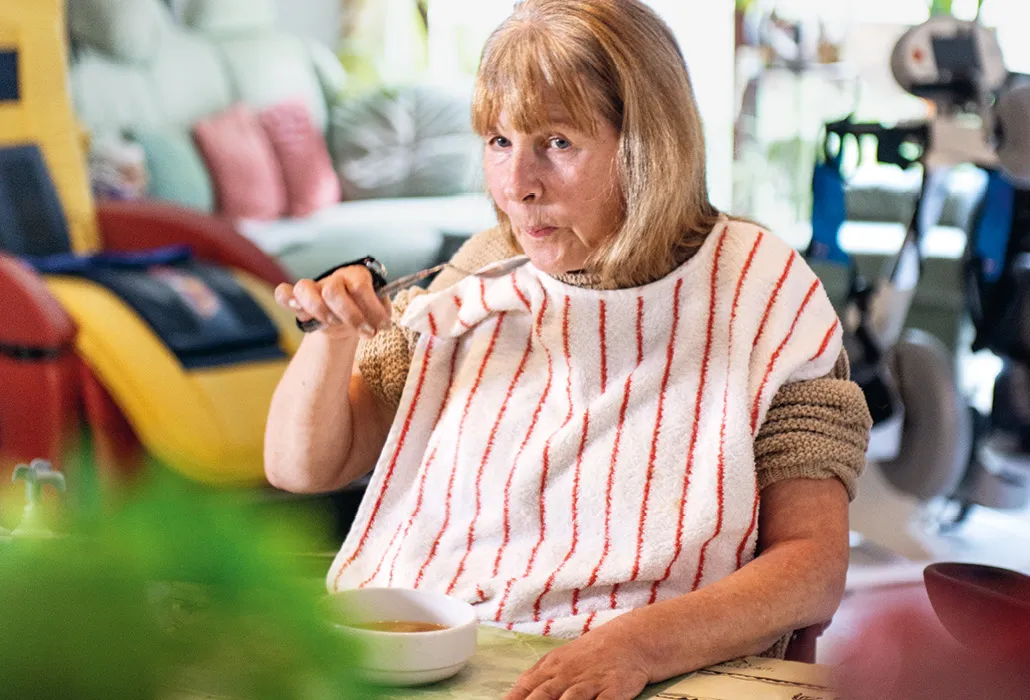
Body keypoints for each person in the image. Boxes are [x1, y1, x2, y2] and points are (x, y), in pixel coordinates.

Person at [266, 1, 871, 698]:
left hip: (643, 663)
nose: (517, 184)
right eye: (498, 141)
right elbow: (300, 468)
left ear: (648, 144)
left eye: (556, 142)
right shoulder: (481, 271)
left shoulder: (762, 292)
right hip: (434, 643)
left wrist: (635, 647)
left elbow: (812, 568)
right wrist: (331, 338)